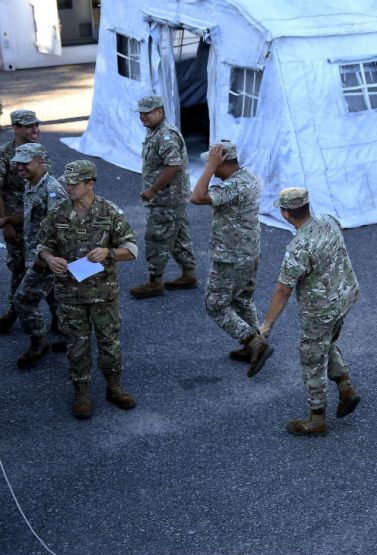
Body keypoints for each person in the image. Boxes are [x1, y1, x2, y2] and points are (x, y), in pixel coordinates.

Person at [36, 160, 139, 419]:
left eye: (74, 183)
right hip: (69, 294)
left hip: (103, 294)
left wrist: (109, 252)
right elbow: (42, 246)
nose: (68, 187)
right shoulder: (57, 212)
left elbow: (132, 250)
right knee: (76, 345)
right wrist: (50, 259)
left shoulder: (111, 212)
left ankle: (114, 387)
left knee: (109, 344)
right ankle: (81, 391)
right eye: (67, 182)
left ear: (90, 184)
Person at [258, 188, 359, 435]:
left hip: (320, 309)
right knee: (327, 340)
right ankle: (345, 387)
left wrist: (267, 325)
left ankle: (316, 419)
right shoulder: (328, 220)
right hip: (345, 296)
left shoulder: (298, 248)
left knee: (312, 358)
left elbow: (283, 290)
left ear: (285, 214)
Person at [189, 140, 266, 367]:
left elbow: (197, 197)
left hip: (230, 256)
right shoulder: (248, 177)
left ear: (222, 162)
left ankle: (253, 342)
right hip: (249, 252)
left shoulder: (233, 185)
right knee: (242, 300)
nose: (211, 169)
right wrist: (214, 166)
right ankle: (253, 346)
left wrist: (210, 167)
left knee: (216, 305)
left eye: (213, 163)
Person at [129, 95, 196, 299]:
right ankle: (189, 274)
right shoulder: (155, 131)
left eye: (147, 112)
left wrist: (153, 190)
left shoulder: (165, 135)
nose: (143, 116)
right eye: (141, 112)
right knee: (177, 235)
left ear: (160, 111)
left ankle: (154, 281)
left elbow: (173, 166)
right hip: (170, 198)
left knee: (156, 237)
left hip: (166, 198)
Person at [11, 143, 68, 368]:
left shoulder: (51, 190)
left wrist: (45, 259)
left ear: (40, 162)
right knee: (55, 295)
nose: (19, 166)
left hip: (45, 259)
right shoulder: (33, 184)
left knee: (23, 300)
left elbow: (60, 229)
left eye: (25, 162)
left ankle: (39, 340)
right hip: (36, 254)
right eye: (18, 162)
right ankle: (70, 334)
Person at [0, 109, 51, 332]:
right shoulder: (4, 154)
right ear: (15, 128)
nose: (35, 129)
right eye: (29, 126)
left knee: (45, 268)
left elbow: (47, 185)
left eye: (36, 125)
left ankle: (57, 316)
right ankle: (14, 312)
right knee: (19, 268)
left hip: (37, 220)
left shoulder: (39, 152)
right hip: (16, 221)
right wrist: (6, 223)